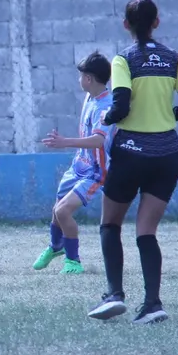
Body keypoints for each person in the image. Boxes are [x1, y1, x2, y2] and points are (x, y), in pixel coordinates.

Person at [88, 0, 178, 324]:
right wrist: (173, 114)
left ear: (126, 24)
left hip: (131, 152)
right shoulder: (172, 58)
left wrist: (108, 117)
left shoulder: (124, 59)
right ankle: (152, 304)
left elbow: (121, 105)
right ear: (157, 22)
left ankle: (114, 294)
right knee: (146, 231)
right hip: (167, 154)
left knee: (110, 224)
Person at [33, 50, 115, 275]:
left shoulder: (105, 107)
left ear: (88, 78)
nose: (79, 79)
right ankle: (56, 246)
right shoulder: (90, 97)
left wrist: (64, 142)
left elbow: (98, 140)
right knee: (56, 208)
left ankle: (73, 262)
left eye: (81, 76)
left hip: (95, 172)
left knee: (63, 211)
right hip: (79, 166)